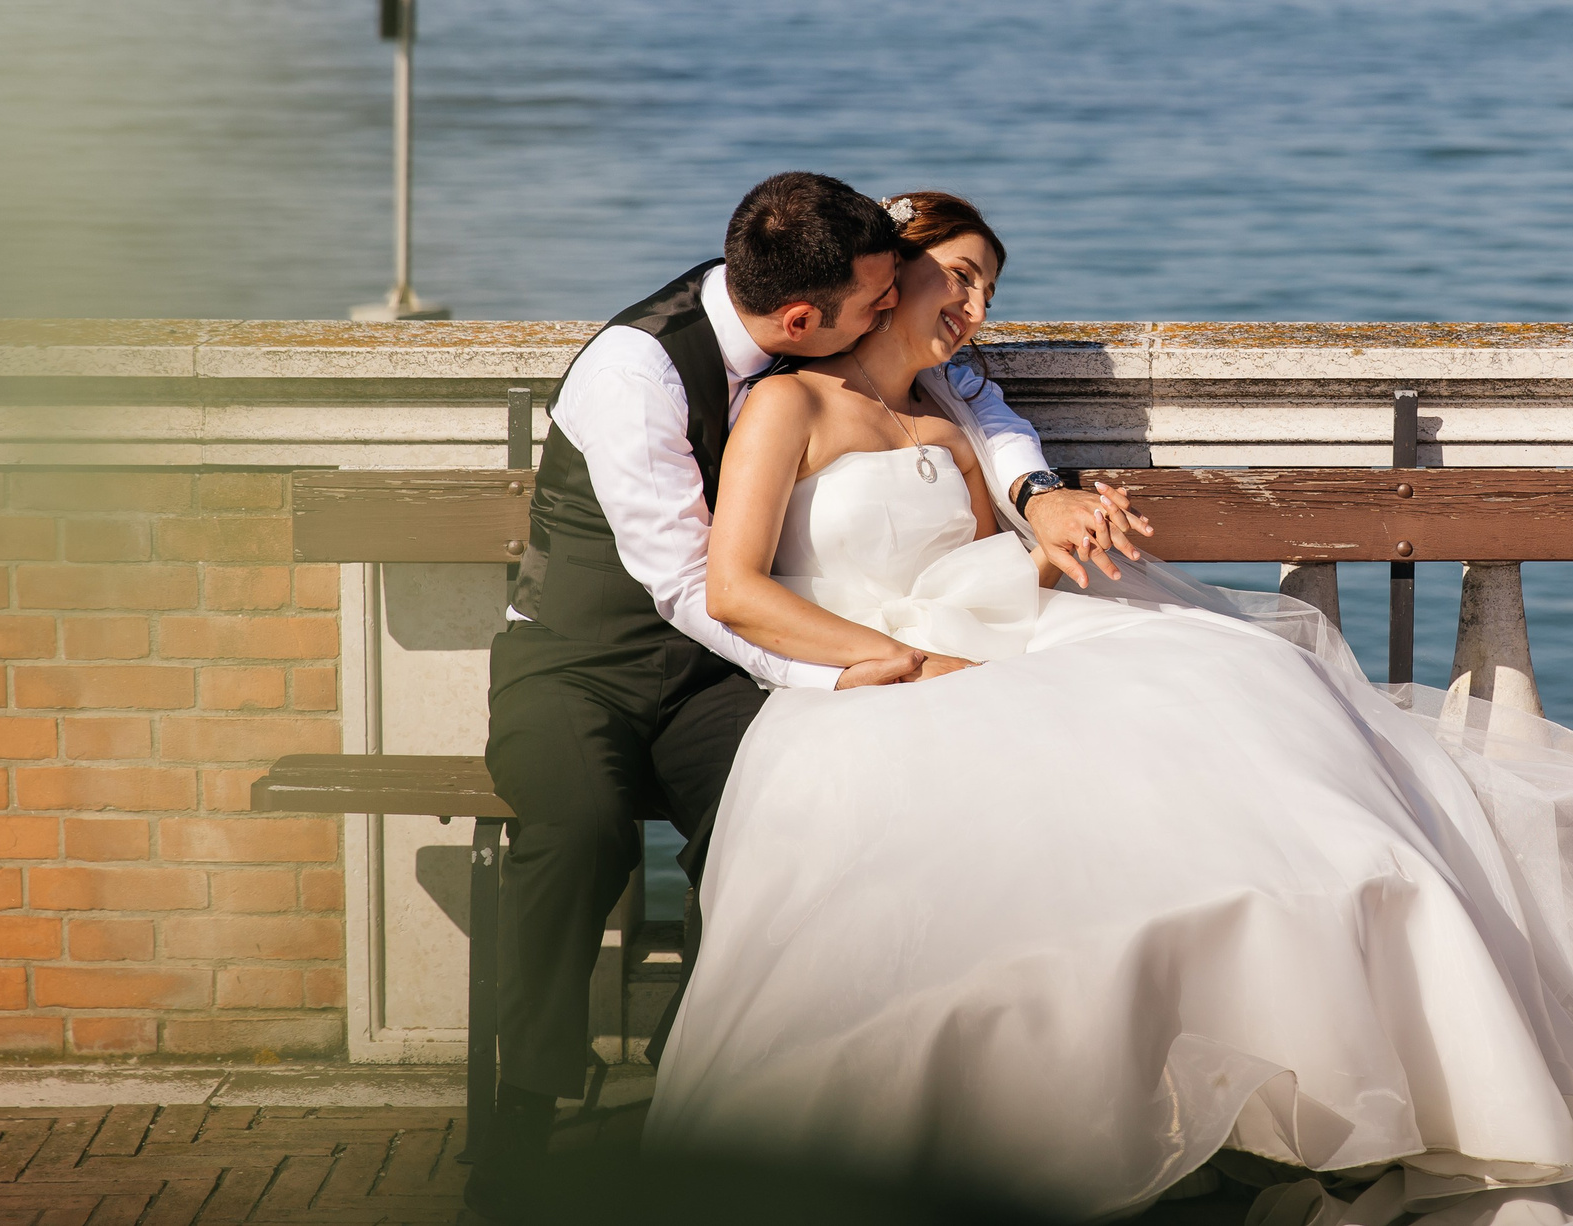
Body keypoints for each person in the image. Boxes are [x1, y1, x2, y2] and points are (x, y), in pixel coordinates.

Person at [645, 193, 1573, 1226]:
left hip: (1011, 635)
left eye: (979, 283)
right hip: (882, 669)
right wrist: (880, 659)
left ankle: (1287, 1117)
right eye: (939, 280)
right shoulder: (792, 402)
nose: (962, 307)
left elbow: (1007, 477)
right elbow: (733, 583)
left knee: (1270, 762)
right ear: (866, 288)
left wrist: (1042, 510)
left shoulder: (955, 405)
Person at [472, 174, 1142, 1220]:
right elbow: (694, 586)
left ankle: (709, 1061)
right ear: (800, 319)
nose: (893, 309)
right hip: (579, 662)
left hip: (713, 673)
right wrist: (855, 671)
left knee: (786, 812)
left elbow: (978, 402)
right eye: (878, 299)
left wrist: (1038, 489)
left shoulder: (825, 325)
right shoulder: (637, 370)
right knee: (578, 822)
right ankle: (525, 1103)